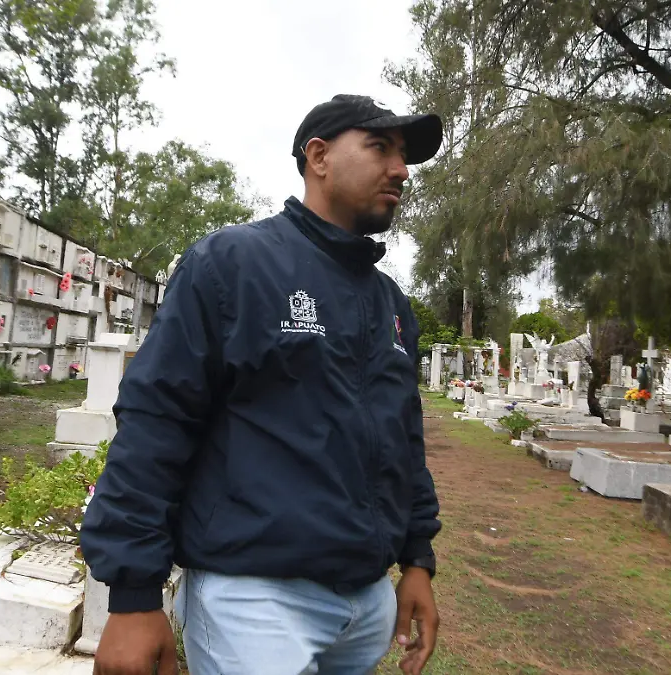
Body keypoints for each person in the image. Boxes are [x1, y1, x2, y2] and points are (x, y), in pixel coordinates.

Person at [81, 94, 445, 675]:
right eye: (380, 147)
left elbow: (403, 440)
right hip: (255, 601)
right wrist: (133, 598)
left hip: (367, 605)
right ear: (318, 157)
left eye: (403, 156)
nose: (401, 170)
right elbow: (157, 420)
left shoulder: (390, 303)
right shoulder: (232, 264)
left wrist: (417, 559)